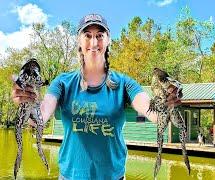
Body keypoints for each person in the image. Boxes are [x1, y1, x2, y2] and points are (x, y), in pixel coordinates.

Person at [11, 13, 182, 180]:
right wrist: (25, 101)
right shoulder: (63, 82)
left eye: (100, 35)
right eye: (88, 35)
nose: (94, 42)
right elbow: (39, 117)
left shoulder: (124, 83)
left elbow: (151, 111)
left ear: (108, 40)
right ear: (79, 40)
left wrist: (166, 103)